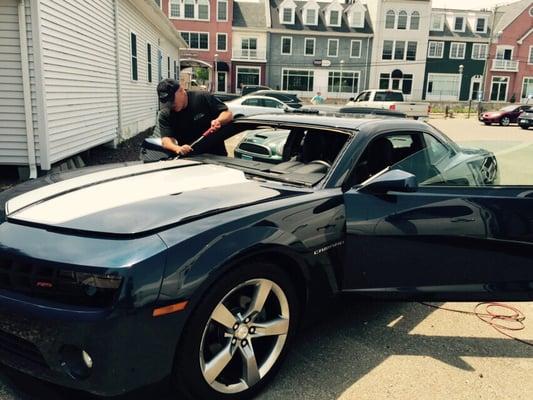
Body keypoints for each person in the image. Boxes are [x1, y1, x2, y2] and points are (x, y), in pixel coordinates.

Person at [154, 78, 233, 156]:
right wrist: (177, 148)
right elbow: (166, 140)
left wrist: (219, 120)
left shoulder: (203, 97)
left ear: (181, 90)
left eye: (172, 100)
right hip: (190, 160)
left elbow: (227, 114)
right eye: (166, 102)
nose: (170, 105)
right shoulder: (165, 114)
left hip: (217, 158)